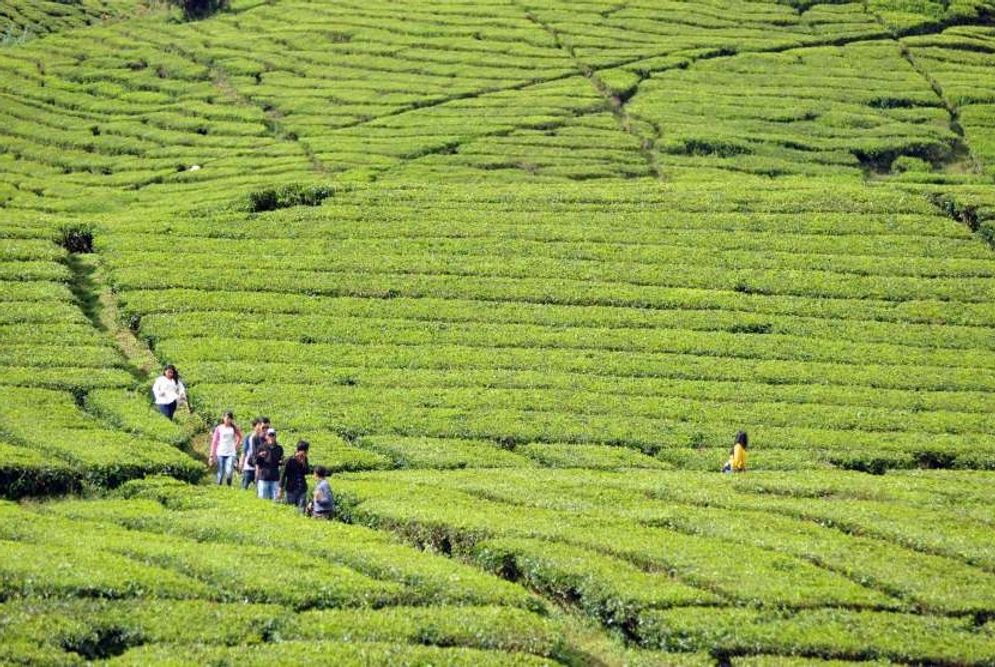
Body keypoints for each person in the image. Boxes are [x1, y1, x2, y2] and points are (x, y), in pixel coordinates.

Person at [209, 411, 243, 486]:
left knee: (229, 471)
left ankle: (229, 486)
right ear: (223, 418)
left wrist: (236, 445)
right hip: (221, 452)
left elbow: (240, 437)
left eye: (230, 419)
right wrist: (212, 455)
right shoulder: (219, 428)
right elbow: (214, 441)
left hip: (231, 453)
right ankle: (219, 486)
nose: (228, 420)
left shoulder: (233, 428)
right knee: (220, 473)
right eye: (227, 418)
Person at [254, 427, 284, 501]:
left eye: (272, 435)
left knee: (275, 500)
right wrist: (259, 456)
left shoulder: (279, 448)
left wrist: (281, 462)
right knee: (263, 500)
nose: (271, 437)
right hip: (263, 477)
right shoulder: (261, 447)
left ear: (275, 436)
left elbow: (280, 461)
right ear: (266, 436)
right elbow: (255, 461)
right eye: (269, 435)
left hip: (275, 478)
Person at [280, 440, 310, 513]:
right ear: (298, 450)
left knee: (301, 510)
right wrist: (280, 488)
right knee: (291, 510)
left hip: (302, 488)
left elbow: (307, 472)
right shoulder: (289, 460)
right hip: (291, 489)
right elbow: (283, 475)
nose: (304, 454)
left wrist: (303, 464)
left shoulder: (305, 459)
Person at [239, 417, 264, 490]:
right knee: (245, 486)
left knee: (259, 488)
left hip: (259, 466)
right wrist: (241, 462)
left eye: (261, 425)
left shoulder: (264, 438)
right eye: (258, 425)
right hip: (248, 466)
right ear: (254, 426)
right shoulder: (248, 437)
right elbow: (244, 451)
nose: (260, 427)